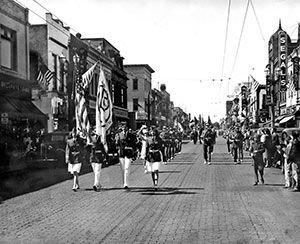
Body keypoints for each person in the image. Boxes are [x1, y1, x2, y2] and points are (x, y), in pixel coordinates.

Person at [116, 124, 137, 189]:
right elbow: (117, 144)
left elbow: (134, 145)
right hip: (122, 153)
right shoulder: (118, 135)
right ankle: (124, 182)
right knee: (123, 169)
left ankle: (126, 184)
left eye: (125, 127)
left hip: (129, 153)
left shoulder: (132, 136)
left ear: (127, 128)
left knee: (127, 168)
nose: (124, 128)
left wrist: (134, 153)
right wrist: (118, 148)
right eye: (123, 127)